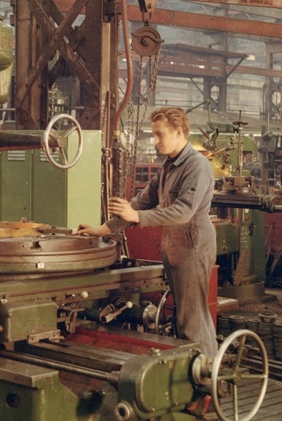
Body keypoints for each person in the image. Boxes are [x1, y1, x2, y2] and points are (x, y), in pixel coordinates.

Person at [79, 106, 218, 357]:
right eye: (153, 135)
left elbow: (182, 212)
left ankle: (205, 374)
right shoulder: (168, 166)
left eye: (159, 134)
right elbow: (142, 202)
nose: (155, 141)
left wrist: (137, 217)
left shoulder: (197, 166)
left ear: (178, 132)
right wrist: (104, 229)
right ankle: (199, 368)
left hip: (192, 247)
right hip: (175, 247)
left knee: (191, 317)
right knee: (186, 314)